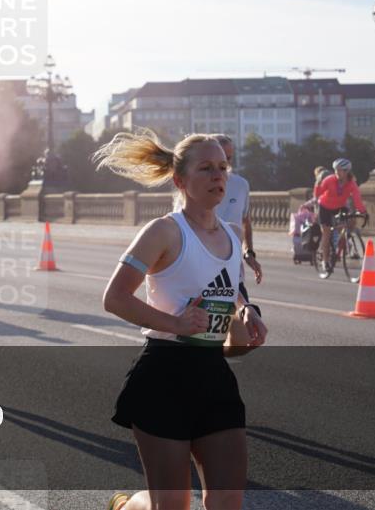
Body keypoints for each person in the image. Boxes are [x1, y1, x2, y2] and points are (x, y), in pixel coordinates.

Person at [95, 131, 267, 510]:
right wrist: (176, 324)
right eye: (205, 168)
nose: (217, 176)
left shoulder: (232, 235)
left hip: (214, 374)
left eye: (223, 167)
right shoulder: (164, 231)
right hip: (163, 376)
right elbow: (115, 298)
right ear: (180, 180)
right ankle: (126, 506)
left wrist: (246, 310)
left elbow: (227, 287)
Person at [210, 135, 262, 286]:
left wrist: (249, 253)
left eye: (229, 158)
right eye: (221, 156)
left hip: (233, 275)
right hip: (203, 276)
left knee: (248, 309)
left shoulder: (241, 185)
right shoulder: (198, 185)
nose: (225, 162)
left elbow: (245, 222)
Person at [314, 158, 366, 274]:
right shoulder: (329, 180)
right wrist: (317, 185)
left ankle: (343, 246)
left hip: (339, 207)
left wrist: (362, 211)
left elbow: (357, 198)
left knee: (346, 226)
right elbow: (318, 194)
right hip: (325, 206)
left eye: (339, 171)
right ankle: (325, 261)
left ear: (346, 171)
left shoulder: (351, 183)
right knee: (326, 233)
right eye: (335, 170)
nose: (337, 173)